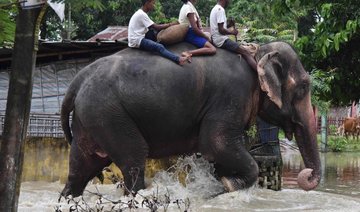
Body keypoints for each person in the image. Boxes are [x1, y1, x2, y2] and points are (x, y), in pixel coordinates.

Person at [128, 0, 190, 65]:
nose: (154, 5)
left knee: (152, 33)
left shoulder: (141, 13)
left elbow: (151, 28)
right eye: (153, 3)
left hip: (137, 37)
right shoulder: (141, 14)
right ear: (147, 3)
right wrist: (171, 24)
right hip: (137, 40)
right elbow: (156, 27)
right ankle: (178, 59)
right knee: (159, 47)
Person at [210, 0, 257, 71]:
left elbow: (220, 27)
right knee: (246, 53)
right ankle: (261, 75)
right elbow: (221, 30)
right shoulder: (220, 10)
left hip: (217, 38)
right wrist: (232, 32)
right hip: (221, 40)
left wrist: (229, 25)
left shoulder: (215, 8)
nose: (229, 1)